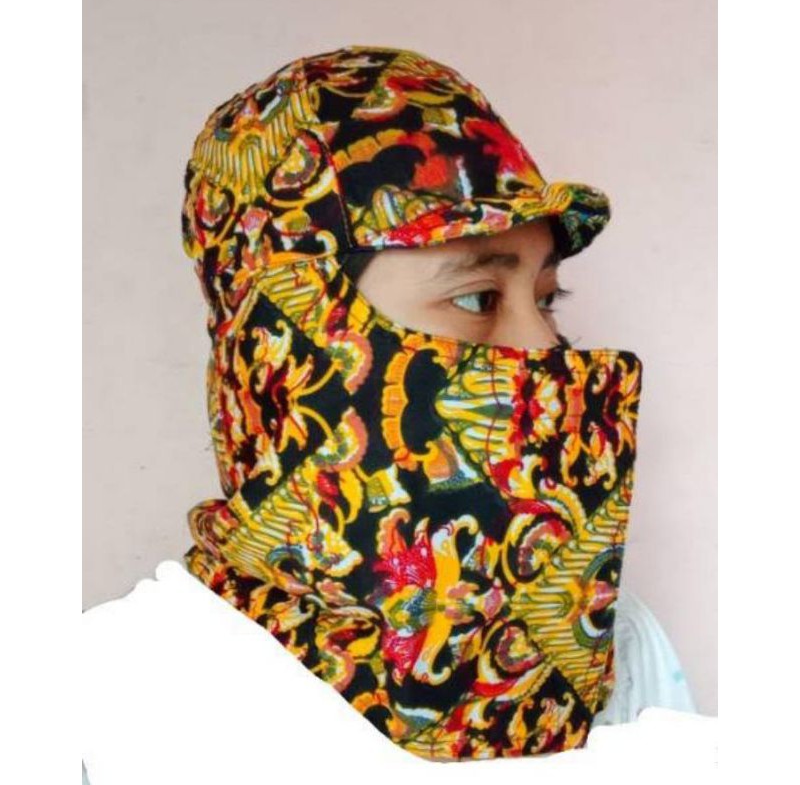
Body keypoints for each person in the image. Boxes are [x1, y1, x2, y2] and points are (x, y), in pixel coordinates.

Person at [83, 45, 697, 780]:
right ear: (289, 346)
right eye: (477, 297)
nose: (547, 350)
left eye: (547, 299)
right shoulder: (94, 707)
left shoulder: (620, 648)